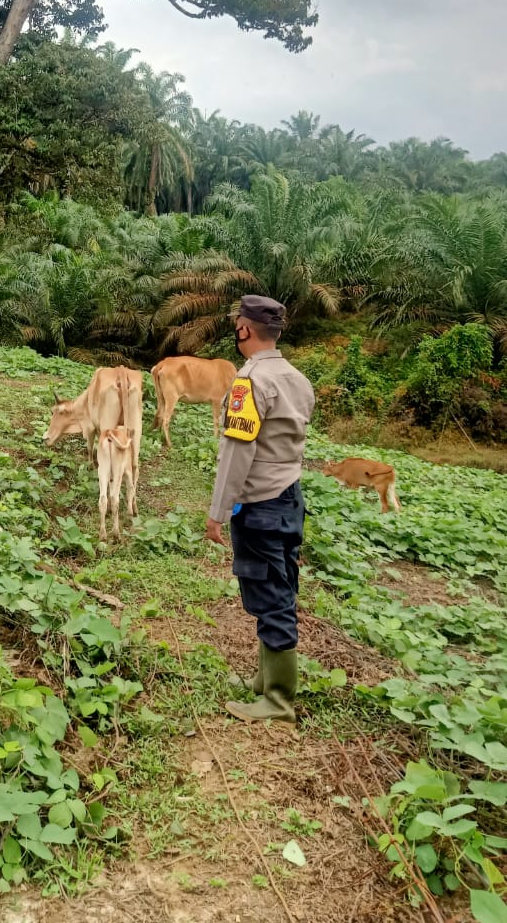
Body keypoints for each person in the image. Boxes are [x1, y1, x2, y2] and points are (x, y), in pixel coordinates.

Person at [204, 295, 315, 724]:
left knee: (272, 596)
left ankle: (280, 700)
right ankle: (264, 681)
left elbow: (237, 452)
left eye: (237, 324)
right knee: (278, 585)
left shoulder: (249, 382)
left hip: (261, 503)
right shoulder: (297, 378)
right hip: (289, 496)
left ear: (244, 330)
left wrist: (219, 510)